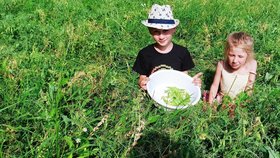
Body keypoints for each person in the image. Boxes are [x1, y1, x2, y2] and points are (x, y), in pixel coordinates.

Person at [132, 4, 202, 90]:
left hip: (175, 93)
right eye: (156, 31)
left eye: (165, 31)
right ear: (150, 31)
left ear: (174, 29)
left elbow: (184, 76)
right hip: (153, 93)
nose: (161, 36)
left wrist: (192, 83)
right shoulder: (145, 53)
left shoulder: (182, 52)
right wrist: (142, 82)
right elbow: (142, 77)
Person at [207, 31, 257, 104]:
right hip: (222, 101)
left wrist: (244, 104)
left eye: (240, 56)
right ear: (227, 52)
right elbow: (215, 86)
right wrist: (210, 104)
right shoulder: (221, 65)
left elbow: (249, 86)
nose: (235, 60)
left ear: (248, 55)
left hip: (239, 102)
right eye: (231, 55)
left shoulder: (252, 64)